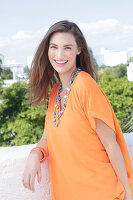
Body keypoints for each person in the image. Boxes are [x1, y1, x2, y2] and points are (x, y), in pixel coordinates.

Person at [22, 20, 133, 200]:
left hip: (100, 192)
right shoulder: (55, 93)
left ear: (78, 50)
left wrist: (127, 193)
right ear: (47, 50)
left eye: (67, 47)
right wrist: (36, 154)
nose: (59, 54)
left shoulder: (85, 85)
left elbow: (111, 145)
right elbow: (47, 137)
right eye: (54, 47)